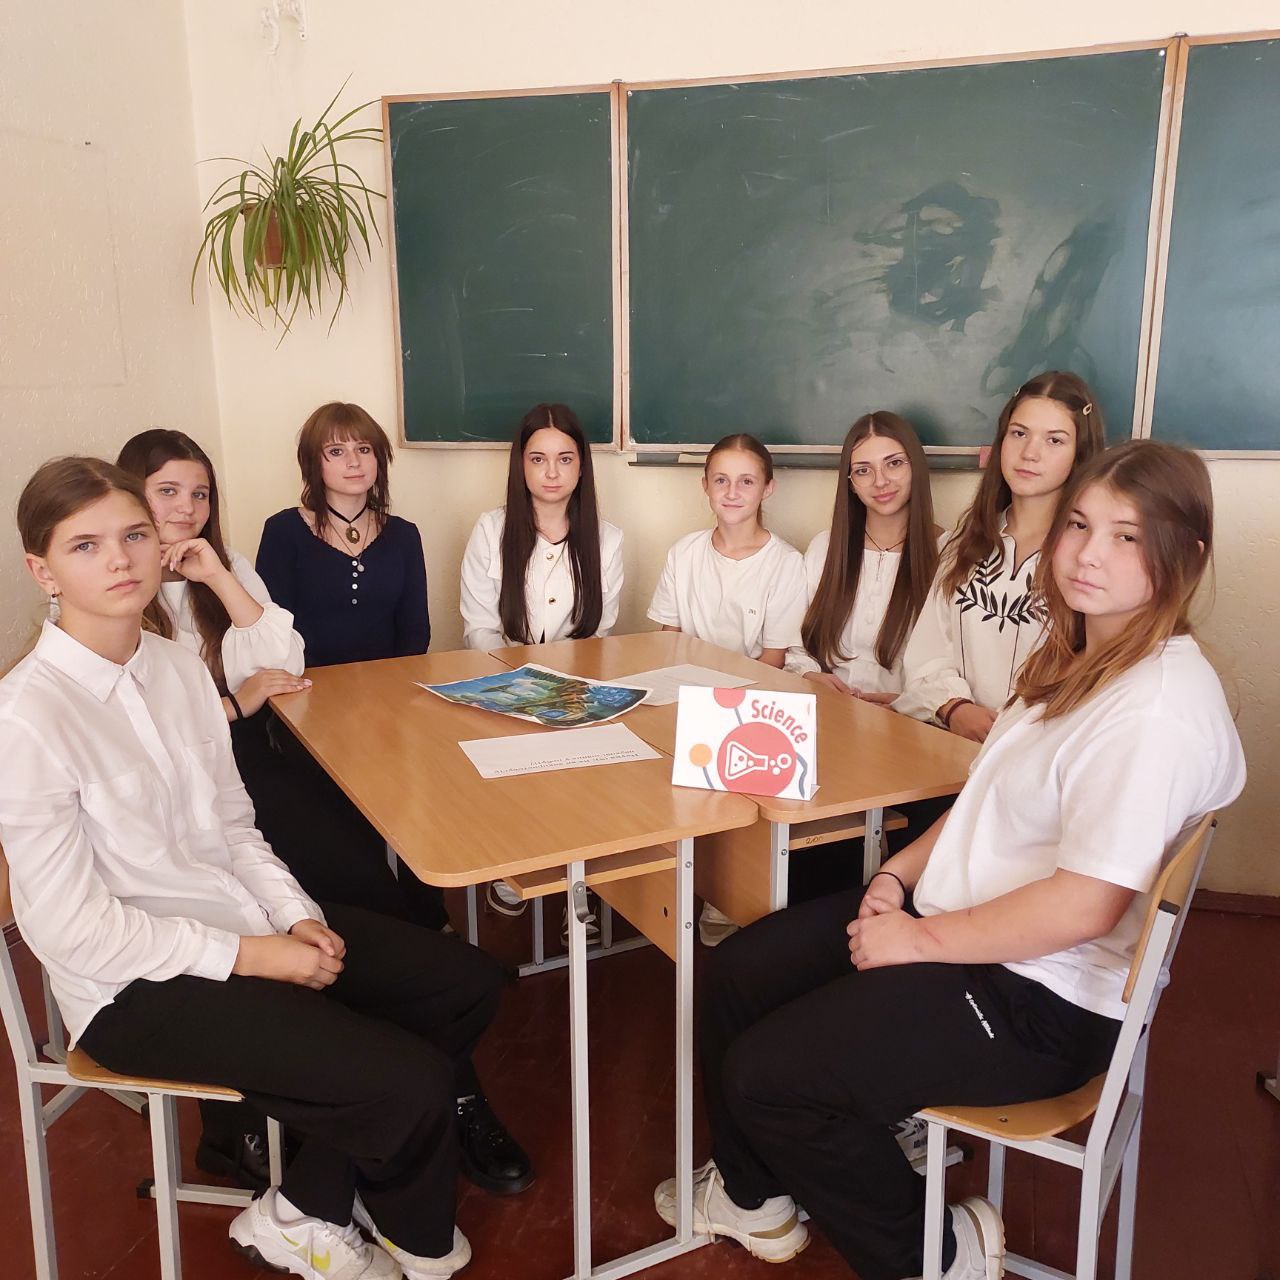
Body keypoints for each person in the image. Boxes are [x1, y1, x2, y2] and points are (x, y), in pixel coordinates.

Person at [653, 439, 1245, 1280]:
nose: (1088, 553)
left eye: (1127, 536)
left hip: (1040, 996)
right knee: (739, 973)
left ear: (1184, 554)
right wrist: (895, 877)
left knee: (768, 1077)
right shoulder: (1078, 657)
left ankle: (937, 1256)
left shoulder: (1155, 710)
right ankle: (754, 1196)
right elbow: (985, 796)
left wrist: (915, 941)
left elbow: (1087, 905)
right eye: (1079, 525)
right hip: (964, 923)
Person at [1, 456, 514, 1280]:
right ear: (43, 571)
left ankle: (305, 1204)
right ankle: (404, 1239)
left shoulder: (175, 668)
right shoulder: (26, 717)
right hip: (133, 986)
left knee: (465, 981)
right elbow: (70, 930)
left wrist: (294, 915)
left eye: (135, 535)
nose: (122, 560)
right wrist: (252, 955)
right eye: (86, 545)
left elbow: (234, 827)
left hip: (241, 921)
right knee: (412, 1082)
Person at [256, 403, 533, 1196]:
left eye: (365, 451)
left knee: (429, 805)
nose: (353, 463)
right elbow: (276, 644)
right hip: (304, 725)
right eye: (335, 452)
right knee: (346, 853)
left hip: (390, 717)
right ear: (313, 464)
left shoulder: (403, 535)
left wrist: (387, 714)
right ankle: (424, 963)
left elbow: (413, 637)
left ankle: (428, 940)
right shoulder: (282, 534)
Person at [117, 428, 309, 1190]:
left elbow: (287, 664)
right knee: (247, 893)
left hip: (236, 770)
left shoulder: (220, 565)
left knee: (343, 866)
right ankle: (237, 1127)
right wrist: (233, 703)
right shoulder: (117, 586)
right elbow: (144, 741)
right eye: (168, 491)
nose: (187, 508)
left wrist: (220, 576)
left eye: (200, 494)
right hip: (171, 800)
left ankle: (310, 1067)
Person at [460, 403, 624, 933]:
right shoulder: (491, 530)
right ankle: (519, 864)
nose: (552, 472)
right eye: (538, 459)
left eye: (565, 459)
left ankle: (581, 883)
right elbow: (479, 629)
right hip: (502, 686)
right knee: (515, 764)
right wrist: (522, 688)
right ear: (521, 465)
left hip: (576, 689)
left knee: (591, 770)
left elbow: (599, 634)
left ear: (582, 466)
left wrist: (562, 692)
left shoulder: (607, 538)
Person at [648, 433, 806, 945]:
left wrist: (716, 709)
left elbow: (774, 661)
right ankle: (664, 889)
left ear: (767, 489)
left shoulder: (786, 563)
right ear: (705, 486)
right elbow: (667, 640)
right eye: (721, 480)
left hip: (752, 710)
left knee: (732, 796)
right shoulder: (684, 553)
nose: (732, 493)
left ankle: (727, 893)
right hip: (682, 701)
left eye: (746, 481)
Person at [894, 371, 1104, 743]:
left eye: (1054, 440)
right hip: (952, 745)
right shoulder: (964, 544)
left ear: (1080, 453)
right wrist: (955, 708)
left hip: (1040, 752)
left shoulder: (1090, 557)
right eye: (1019, 433)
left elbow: (1098, 671)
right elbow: (928, 651)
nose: (1030, 453)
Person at [783, 411, 941, 902]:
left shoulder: (950, 552)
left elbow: (953, 667)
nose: (881, 481)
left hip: (915, 738)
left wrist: (907, 702)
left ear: (915, 467)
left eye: (894, 463)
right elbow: (798, 645)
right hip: (834, 733)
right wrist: (811, 676)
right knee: (810, 866)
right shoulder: (826, 548)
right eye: (863, 470)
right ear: (849, 482)